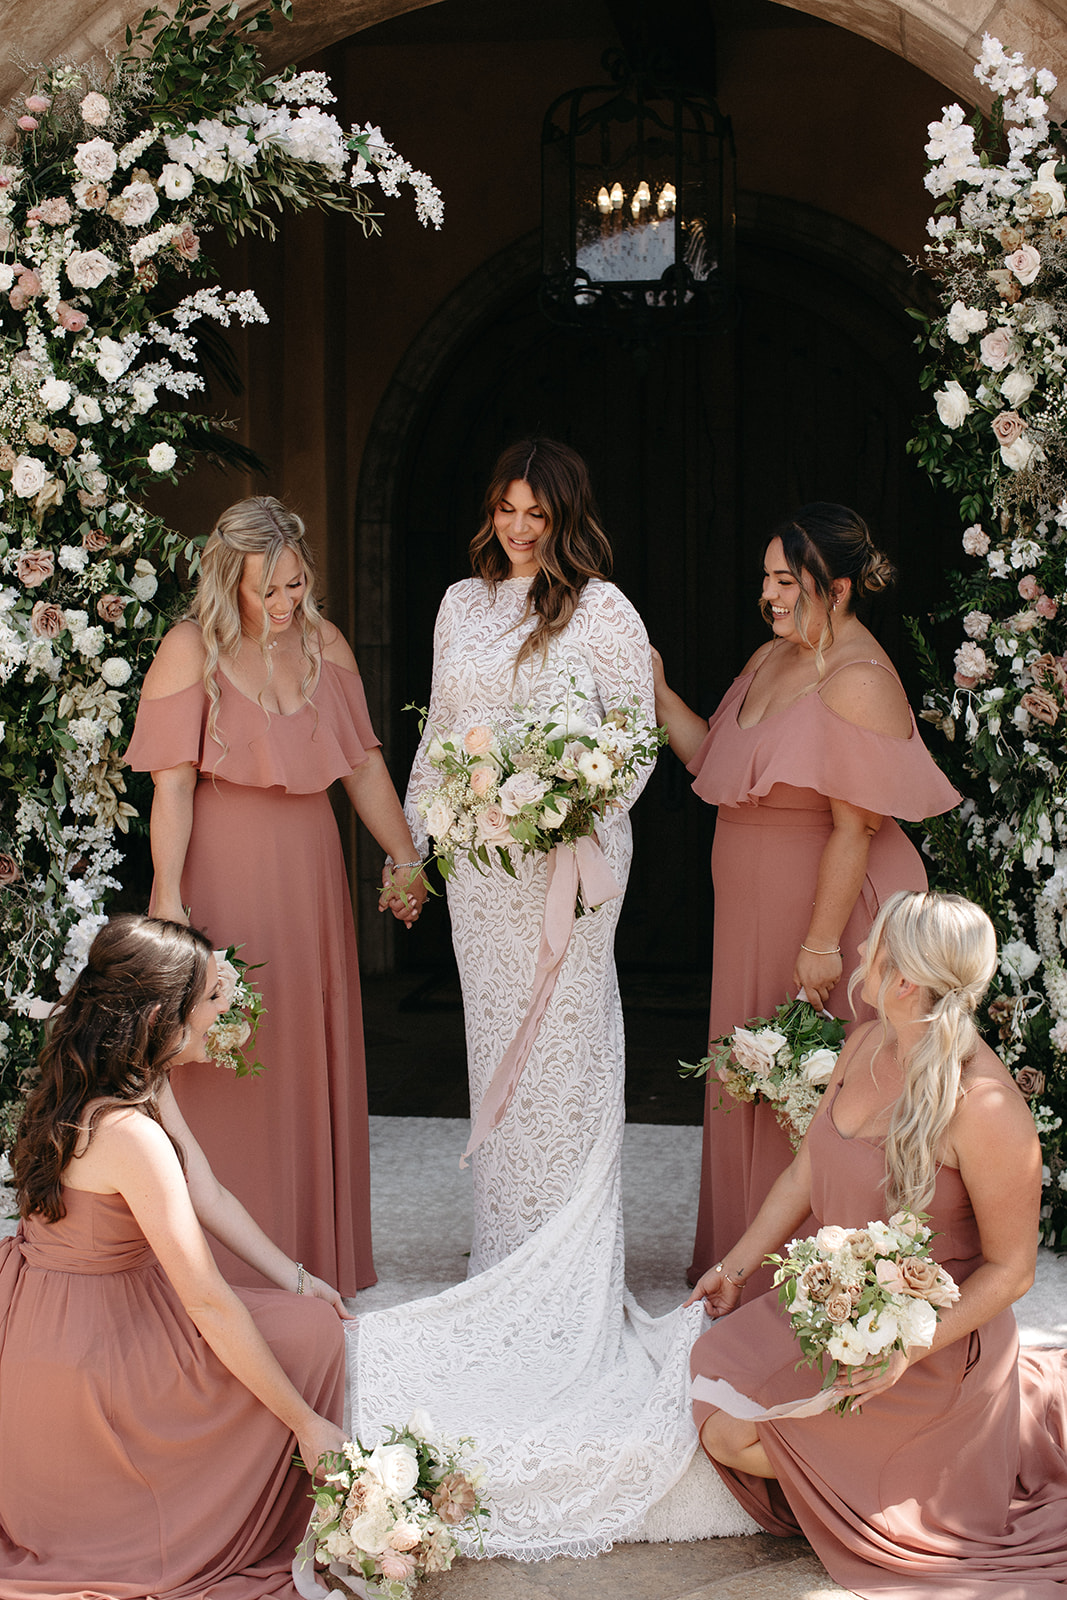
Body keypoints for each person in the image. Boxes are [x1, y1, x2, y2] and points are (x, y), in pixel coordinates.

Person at [345, 439, 754, 1557]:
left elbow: (628, 749)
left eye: (535, 511)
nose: (518, 527)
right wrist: (415, 848)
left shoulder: (608, 612)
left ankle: (572, 1266)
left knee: (567, 1044)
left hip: (568, 862)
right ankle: (505, 1248)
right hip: (481, 867)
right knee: (498, 1049)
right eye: (505, 509)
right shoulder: (456, 603)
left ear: (566, 513)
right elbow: (433, 742)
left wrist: (565, 803)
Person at [687, 890, 1067, 1598]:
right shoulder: (864, 1040)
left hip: (931, 1344)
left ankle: (927, 1457)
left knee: (733, 1438)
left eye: (875, 945)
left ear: (905, 979)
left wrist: (905, 1349)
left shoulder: (983, 1106)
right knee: (708, 1373)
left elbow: (1012, 1271)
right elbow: (807, 1168)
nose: (858, 951)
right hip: (836, 1304)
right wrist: (734, 1267)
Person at [653, 503, 960, 1293]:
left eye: (787, 581)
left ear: (841, 588)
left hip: (828, 911)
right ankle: (739, 1267)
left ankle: (821, 1281)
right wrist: (654, 693)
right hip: (756, 914)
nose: (770, 594)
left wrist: (822, 946)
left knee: (807, 1080)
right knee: (754, 1075)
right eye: (766, 578)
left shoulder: (857, 678)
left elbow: (855, 828)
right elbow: (710, 760)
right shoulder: (770, 657)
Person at [125, 496, 427, 1297]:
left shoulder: (324, 644)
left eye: (298, 584)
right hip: (223, 868)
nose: (289, 604)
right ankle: (220, 1258)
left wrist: (402, 858)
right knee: (224, 1046)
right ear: (231, 582)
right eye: (272, 591)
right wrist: (167, 896)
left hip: (311, 869)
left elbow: (361, 763)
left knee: (302, 1034)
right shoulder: (190, 648)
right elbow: (173, 789)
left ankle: (308, 1249)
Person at [0, 914, 349, 1600]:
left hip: (63, 1310)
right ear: (163, 1014)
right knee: (300, 1345)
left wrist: (300, 1279)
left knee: (305, 1320)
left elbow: (207, 1190)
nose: (226, 1011)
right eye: (213, 998)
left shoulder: (130, 1078)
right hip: (91, 1353)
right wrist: (307, 1425)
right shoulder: (129, 1134)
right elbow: (208, 1301)